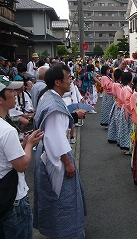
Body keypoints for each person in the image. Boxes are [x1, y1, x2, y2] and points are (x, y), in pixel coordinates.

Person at [33, 64, 86, 238]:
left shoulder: (47, 96)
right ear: (57, 82)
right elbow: (56, 137)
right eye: (68, 78)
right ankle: (66, 232)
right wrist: (68, 162)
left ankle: (55, 229)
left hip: (47, 153)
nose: (71, 81)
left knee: (51, 196)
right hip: (56, 156)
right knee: (63, 198)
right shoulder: (55, 106)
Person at [0, 76, 44, 239]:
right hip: (13, 200)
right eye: (10, 90)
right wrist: (29, 146)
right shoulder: (7, 130)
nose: (15, 93)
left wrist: (22, 145)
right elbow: (21, 165)